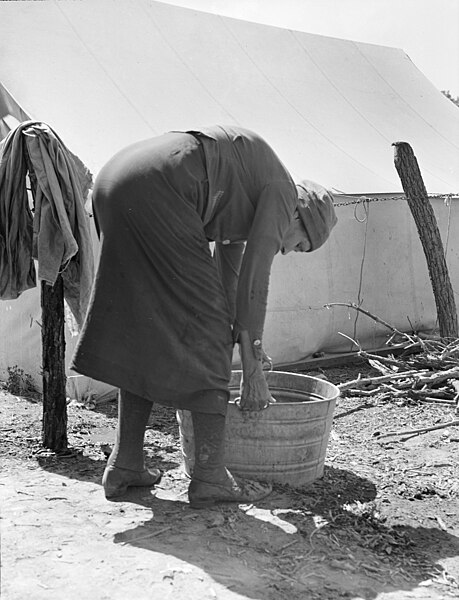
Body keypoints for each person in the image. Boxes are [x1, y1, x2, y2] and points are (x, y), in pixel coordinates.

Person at [71, 125, 337, 508]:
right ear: (299, 215)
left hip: (116, 184)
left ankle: (125, 463)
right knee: (207, 332)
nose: (288, 251)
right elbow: (254, 280)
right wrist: (252, 364)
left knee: (146, 327)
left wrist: (240, 337)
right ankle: (211, 476)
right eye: (300, 244)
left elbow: (228, 281)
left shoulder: (247, 195)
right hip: (158, 191)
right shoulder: (282, 192)